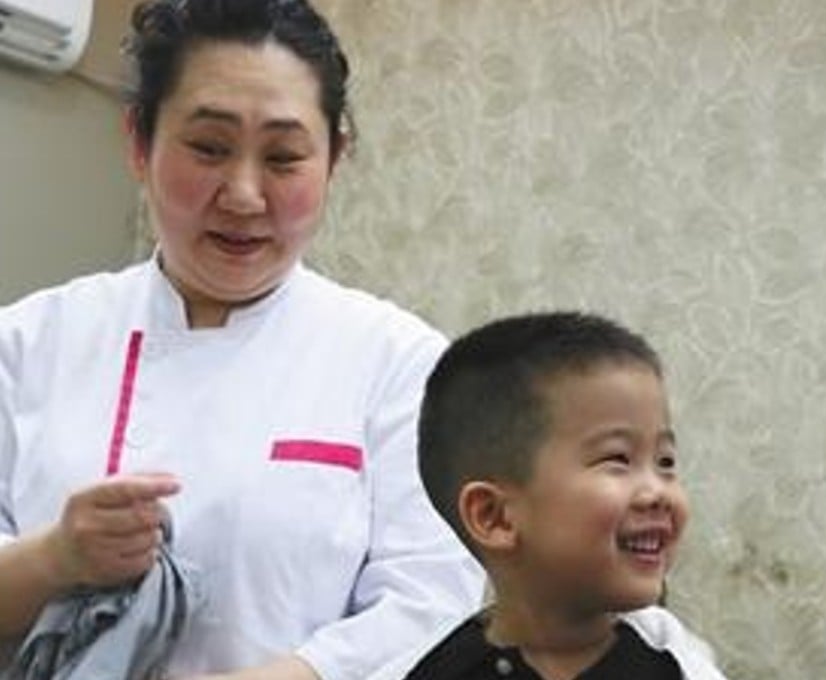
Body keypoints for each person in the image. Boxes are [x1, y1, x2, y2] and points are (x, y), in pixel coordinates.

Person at [0, 0, 484, 678]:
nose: (245, 194)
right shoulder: (27, 341)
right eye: (208, 148)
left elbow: (430, 606)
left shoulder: (400, 365)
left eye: (284, 157)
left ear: (334, 159)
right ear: (139, 142)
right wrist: (56, 557)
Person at [375, 311, 729, 679]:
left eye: (665, 461)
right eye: (618, 459)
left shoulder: (676, 666)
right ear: (493, 516)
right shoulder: (427, 671)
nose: (657, 492)